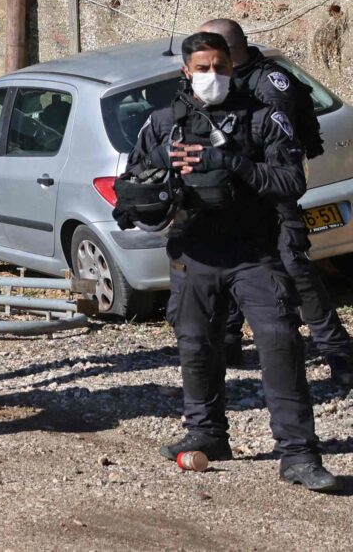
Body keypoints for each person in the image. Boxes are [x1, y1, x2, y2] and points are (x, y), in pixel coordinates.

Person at [115, 31, 337, 491]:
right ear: (185, 71)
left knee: (279, 340)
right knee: (195, 343)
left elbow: (290, 181)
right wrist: (155, 179)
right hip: (194, 251)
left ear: (232, 68)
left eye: (219, 67)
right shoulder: (163, 125)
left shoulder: (261, 119)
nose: (211, 76)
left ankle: (298, 453)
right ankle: (207, 433)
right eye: (202, 68)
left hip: (255, 251)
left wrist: (230, 162)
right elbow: (129, 191)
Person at [203, 17, 353, 387]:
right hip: (235, 194)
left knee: (295, 269)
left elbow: (278, 147)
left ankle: (340, 356)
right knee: (231, 266)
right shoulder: (221, 82)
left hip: (272, 192)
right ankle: (229, 343)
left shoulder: (270, 85)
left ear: (227, 51)